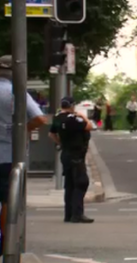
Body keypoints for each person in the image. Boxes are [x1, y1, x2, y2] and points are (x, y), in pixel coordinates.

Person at [0, 55, 48, 254]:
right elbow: (39, 118)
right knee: (7, 201)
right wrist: (22, 131)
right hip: (9, 154)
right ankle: (6, 245)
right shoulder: (16, 92)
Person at [49, 96, 94, 224]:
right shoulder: (75, 119)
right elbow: (89, 126)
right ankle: (77, 214)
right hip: (76, 155)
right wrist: (83, 116)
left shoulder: (57, 118)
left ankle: (68, 214)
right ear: (72, 106)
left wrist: (61, 143)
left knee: (69, 185)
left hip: (66, 154)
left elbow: (51, 134)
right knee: (81, 183)